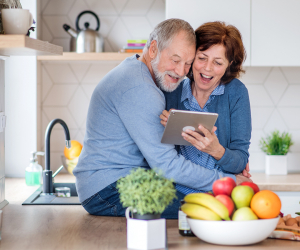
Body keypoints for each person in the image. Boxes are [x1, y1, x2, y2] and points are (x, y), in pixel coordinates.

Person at [73, 19, 251, 219]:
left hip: (113, 184)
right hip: (110, 189)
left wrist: (222, 154)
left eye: (187, 63)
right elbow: (167, 165)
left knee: (215, 213)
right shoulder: (146, 89)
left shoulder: (142, 73)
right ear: (153, 49)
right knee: (209, 214)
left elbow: (238, 156)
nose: (181, 71)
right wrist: (227, 180)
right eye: (175, 60)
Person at [160, 21, 252, 195]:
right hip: (175, 195)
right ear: (192, 56)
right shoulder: (172, 89)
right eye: (202, 58)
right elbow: (158, 156)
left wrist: (217, 150)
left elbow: (240, 161)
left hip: (220, 194)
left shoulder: (236, 92)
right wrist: (164, 128)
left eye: (218, 62)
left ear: (229, 65)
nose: (207, 68)